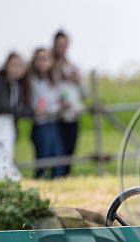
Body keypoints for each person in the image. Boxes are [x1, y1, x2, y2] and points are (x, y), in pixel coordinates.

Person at [52, 30, 85, 176]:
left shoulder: (74, 67)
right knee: (57, 151)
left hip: (72, 115)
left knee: (70, 150)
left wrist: (78, 81)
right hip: (55, 117)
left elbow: (85, 94)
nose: (62, 48)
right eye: (59, 45)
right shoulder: (49, 68)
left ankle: (66, 176)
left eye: (64, 45)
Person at [28, 47, 65, 179]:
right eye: (39, 59)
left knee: (57, 155)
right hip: (40, 124)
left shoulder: (53, 80)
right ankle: (40, 180)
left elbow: (57, 101)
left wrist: (57, 107)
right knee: (42, 157)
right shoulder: (30, 81)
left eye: (45, 59)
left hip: (53, 122)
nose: (42, 63)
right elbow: (35, 104)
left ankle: (57, 179)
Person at [0, 52, 32, 126]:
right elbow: (3, 108)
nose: (17, 69)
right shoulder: (0, 83)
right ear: (6, 66)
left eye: (20, 66)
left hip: (10, 126)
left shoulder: (20, 86)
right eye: (13, 65)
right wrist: (32, 112)